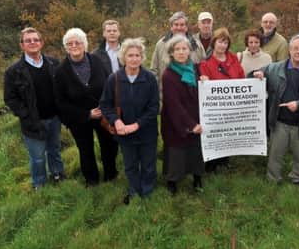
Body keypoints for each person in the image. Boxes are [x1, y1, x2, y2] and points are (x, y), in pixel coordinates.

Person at [252, 35, 299, 190]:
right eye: (295, 48)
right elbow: (255, 75)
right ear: (289, 50)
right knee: (275, 154)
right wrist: (257, 74)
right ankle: (273, 179)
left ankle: (297, 179)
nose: (298, 52)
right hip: (280, 121)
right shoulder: (274, 68)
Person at [54, 28, 118, 186]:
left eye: (78, 42)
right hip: (79, 118)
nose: (74, 45)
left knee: (109, 145)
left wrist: (106, 108)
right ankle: (92, 180)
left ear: (85, 44)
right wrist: (87, 114)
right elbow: (61, 102)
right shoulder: (61, 71)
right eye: (70, 43)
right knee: (85, 149)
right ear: (66, 47)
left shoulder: (96, 61)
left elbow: (109, 84)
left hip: (103, 113)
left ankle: (111, 174)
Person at [4, 27, 65, 190]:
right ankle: (40, 185)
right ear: (22, 45)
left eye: (35, 40)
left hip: (54, 118)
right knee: (37, 157)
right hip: (32, 122)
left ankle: (58, 175)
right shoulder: (13, 71)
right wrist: (25, 115)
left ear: (41, 43)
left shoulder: (53, 63)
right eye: (28, 40)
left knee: (55, 150)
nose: (32, 43)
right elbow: (10, 98)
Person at [100, 38, 159, 205]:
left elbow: (154, 107)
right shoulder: (114, 79)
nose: (134, 59)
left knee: (148, 164)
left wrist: (137, 124)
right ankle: (134, 190)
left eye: (137, 55)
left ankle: (147, 191)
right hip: (124, 132)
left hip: (146, 131)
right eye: (130, 55)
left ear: (142, 57)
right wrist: (116, 121)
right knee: (130, 165)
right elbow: (105, 104)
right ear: (123, 57)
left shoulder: (149, 79)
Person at [161, 35, 204, 195]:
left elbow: (202, 91)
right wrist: (190, 124)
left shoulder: (195, 69)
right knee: (176, 153)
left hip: (196, 116)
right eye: (177, 49)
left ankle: (197, 178)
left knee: (195, 150)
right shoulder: (168, 74)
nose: (181, 52)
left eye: (184, 48)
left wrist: (205, 81)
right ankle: (172, 182)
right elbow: (174, 105)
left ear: (189, 51)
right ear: (171, 53)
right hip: (175, 121)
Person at [199, 27, 245, 171]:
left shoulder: (233, 59)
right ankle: (211, 164)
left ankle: (225, 162)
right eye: (220, 42)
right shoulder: (205, 63)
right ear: (214, 43)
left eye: (225, 43)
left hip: (233, 105)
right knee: (216, 134)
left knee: (229, 133)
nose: (222, 45)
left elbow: (241, 77)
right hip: (216, 108)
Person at [150, 11, 206, 82]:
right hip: (166, 89)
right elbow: (154, 70)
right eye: (176, 25)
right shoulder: (161, 44)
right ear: (171, 27)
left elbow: (204, 67)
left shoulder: (196, 45)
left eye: (182, 25)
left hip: (191, 89)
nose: (179, 28)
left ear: (186, 28)